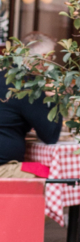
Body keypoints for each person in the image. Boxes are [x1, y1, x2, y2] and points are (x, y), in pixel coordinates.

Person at [0, 33, 61, 168]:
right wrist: (54, 97)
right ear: (42, 58)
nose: (52, 63)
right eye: (51, 57)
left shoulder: (5, 75)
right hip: (3, 166)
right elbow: (51, 136)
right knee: (51, 177)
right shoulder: (28, 84)